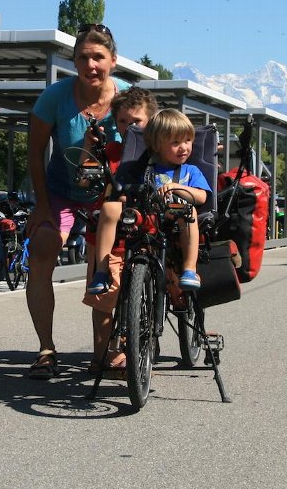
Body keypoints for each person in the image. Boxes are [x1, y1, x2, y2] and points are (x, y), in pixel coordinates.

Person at [23, 22, 128, 380]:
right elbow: (35, 153)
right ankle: (46, 350)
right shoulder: (55, 97)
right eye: (83, 57)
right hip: (62, 191)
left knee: (108, 263)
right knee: (41, 246)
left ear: (113, 61)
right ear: (74, 61)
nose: (91, 64)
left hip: (110, 194)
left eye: (98, 57)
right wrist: (41, 205)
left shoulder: (128, 98)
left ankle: (110, 347)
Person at [80, 87, 159, 375]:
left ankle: (137, 347)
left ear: (151, 121)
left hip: (144, 233)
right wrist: (89, 148)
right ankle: (101, 356)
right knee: (103, 301)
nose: (129, 127)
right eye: (123, 122)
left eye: (136, 121)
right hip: (107, 238)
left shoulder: (158, 155)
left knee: (141, 295)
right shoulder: (110, 151)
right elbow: (85, 182)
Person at [116, 108, 212, 290]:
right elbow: (128, 193)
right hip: (150, 219)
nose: (184, 147)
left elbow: (201, 197)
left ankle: (190, 268)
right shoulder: (146, 171)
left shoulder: (191, 171)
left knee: (189, 211)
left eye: (188, 140)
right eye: (176, 142)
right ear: (157, 145)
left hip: (179, 218)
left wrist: (179, 188)